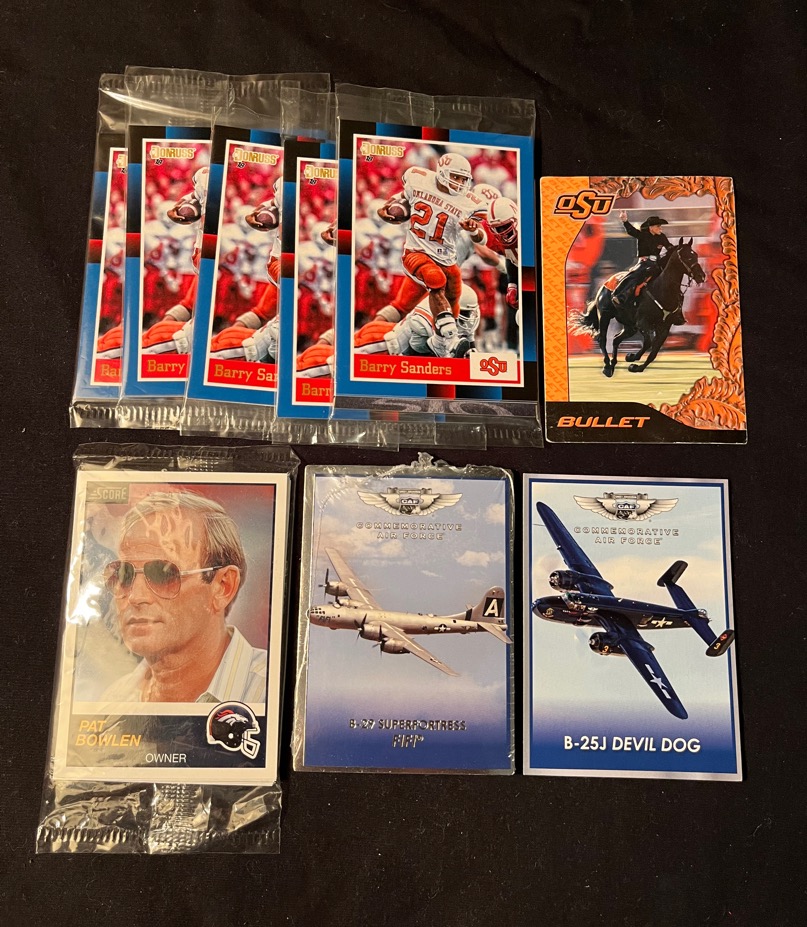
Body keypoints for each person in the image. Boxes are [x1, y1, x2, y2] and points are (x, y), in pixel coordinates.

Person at [101, 491, 267, 703]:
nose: (135, 596)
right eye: (124, 574)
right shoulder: (115, 700)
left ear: (223, 587)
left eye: (163, 573)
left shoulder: (274, 691)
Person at [611, 212, 675, 315]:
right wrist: (625, 221)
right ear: (651, 228)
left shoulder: (662, 237)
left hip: (656, 263)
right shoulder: (642, 235)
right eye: (658, 226)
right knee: (635, 275)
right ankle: (621, 295)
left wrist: (678, 249)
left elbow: (669, 247)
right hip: (644, 262)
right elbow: (631, 231)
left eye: (660, 226)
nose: (660, 228)